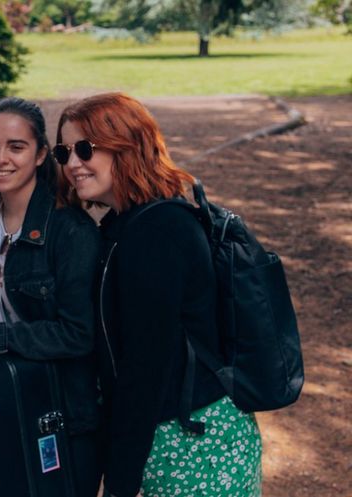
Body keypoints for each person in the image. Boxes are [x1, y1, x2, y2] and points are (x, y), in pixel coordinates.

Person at [55, 92, 262, 497]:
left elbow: (146, 367)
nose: (72, 164)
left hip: (194, 446)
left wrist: (120, 479)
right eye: (64, 152)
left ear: (127, 147)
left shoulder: (157, 231)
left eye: (85, 149)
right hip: (174, 437)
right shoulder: (127, 224)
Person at [0, 97, 102, 496]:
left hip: (70, 416)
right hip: (14, 401)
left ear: (39, 155)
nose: (0, 158)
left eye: (16, 147)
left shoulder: (70, 231)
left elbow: (79, 333)